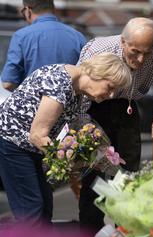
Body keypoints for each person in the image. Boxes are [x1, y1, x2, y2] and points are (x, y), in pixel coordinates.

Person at [0, 53, 131, 226]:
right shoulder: (61, 83)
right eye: (110, 87)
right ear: (98, 73)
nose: (112, 95)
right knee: (31, 211)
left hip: (29, 148)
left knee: (45, 207)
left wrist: (93, 154)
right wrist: (67, 159)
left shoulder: (76, 89)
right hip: (12, 143)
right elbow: (37, 135)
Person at [77, 17, 153, 236]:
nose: (141, 59)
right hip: (94, 110)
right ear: (123, 42)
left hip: (127, 110)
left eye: (147, 53)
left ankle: (126, 236)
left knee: (127, 179)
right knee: (95, 180)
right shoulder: (99, 49)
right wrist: (91, 134)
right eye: (134, 52)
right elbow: (79, 100)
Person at [1, 0, 86, 92]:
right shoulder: (78, 36)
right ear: (53, 9)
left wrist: (27, 94)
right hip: (69, 103)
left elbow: (8, 83)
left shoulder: (21, 36)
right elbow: (85, 77)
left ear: (27, 10)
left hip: (32, 104)